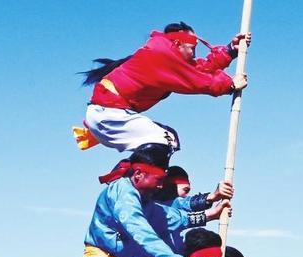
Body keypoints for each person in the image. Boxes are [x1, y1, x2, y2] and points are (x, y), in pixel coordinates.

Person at [75, 22, 249, 157]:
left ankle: (147, 188)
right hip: (109, 114)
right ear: (178, 43)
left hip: (108, 114)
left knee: (169, 138)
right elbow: (197, 80)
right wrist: (230, 85)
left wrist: (230, 50)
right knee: (165, 140)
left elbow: (199, 69)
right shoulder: (161, 55)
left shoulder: (166, 54)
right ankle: (137, 189)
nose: (195, 55)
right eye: (193, 49)